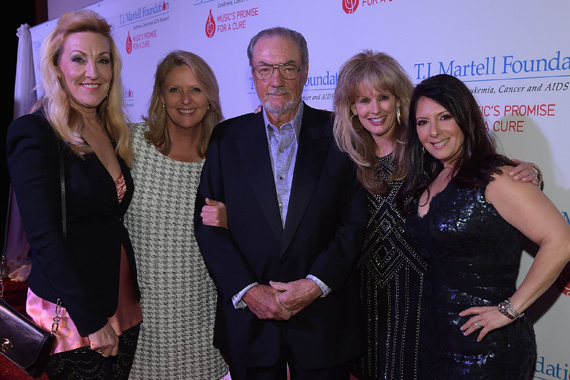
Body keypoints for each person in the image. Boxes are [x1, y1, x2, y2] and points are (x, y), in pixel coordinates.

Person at [332, 51, 541, 380]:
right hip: (367, 302)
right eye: (363, 100)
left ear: (399, 100)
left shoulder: (426, 153)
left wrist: (530, 171)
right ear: (351, 108)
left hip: (423, 304)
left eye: (384, 97)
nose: (375, 109)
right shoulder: (345, 160)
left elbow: (482, 174)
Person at [193, 27, 368, 380]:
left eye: (288, 68)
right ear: (253, 74)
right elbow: (208, 225)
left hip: (323, 320)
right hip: (250, 322)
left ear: (305, 72)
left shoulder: (341, 133)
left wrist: (314, 284)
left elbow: (354, 223)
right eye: (265, 69)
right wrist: (248, 291)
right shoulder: (227, 138)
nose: (276, 80)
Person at [398, 74, 570, 379]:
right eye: (423, 122)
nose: (434, 131)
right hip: (434, 342)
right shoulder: (429, 178)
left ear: (466, 117)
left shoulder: (495, 177)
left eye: (445, 117)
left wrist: (509, 310)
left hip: (487, 349)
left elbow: (561, 240)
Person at [5, 9, 142, 380]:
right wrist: (91, 320)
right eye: (79, 59)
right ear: (57, 66)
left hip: (122, 298)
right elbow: (45, 238)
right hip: (76, 314)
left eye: (103, 60)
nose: (93, 73)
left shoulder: (113, 130)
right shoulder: (35, 133)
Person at [124, 50, 229, 380]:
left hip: (203, 322)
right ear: (160, 95)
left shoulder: (226, 155)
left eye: (196, 89)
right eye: (174, 89)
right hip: (141, 322)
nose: (186, 100)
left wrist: (233, 221)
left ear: (210, 97)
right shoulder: (129, 145)